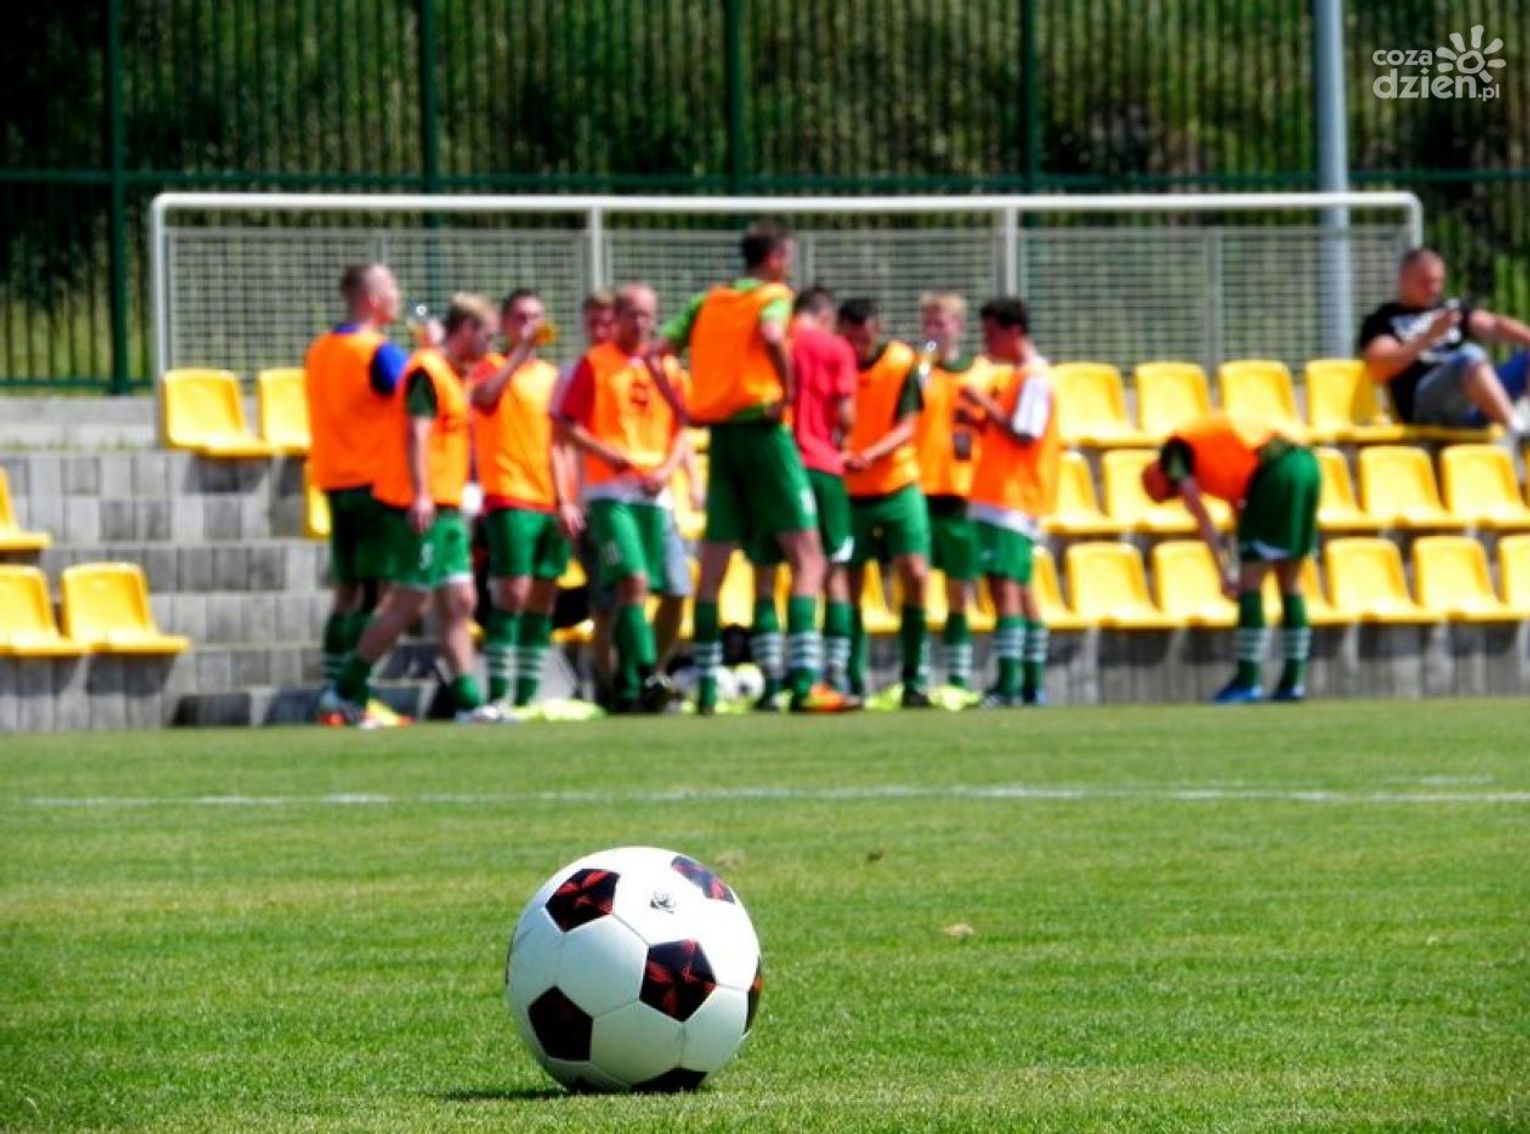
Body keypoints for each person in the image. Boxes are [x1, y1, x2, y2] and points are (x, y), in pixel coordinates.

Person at [652, 222, 855, 714]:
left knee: (714, 566)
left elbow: (657, 354)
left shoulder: (707, 301)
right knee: (809, 559)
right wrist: (786, 391)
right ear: (775, 259)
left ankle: (705, 688)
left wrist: (680, 410)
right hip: (764, 434)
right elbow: (771, 333)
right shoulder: (774, 296)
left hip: (721, 437)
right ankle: (805, 684)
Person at [321, 294, 505, 725]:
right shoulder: (427, 371)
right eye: (487, 336)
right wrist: (422, 494)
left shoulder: (456, 374)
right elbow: (416, 435)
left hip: (449, 505)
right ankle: (344, 690)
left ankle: (468, 702)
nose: (490, 346)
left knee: (460, 600)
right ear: (466, 331)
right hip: (422, 504)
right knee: (407, 601)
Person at [552, 291, 699, 707]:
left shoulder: (667, 368)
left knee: (675, 590)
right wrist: (605, 455)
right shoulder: (594, 365)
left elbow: (682, 426)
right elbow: (565, 426)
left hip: (656, 495)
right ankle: (635, 680)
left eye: (647, 314)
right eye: (631, 314)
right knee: (629, 585)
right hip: (609, 496)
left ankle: (648, 676)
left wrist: (669, 471)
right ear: (616, 317)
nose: (640, 322)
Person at [1141, 414, 1321, 704]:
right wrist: (1238, 559)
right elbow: (1240, 512)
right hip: (1306, 464)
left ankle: (1248, 681)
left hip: (1273, 471)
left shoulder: (1174, 453)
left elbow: (1201, 516)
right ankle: (1293, 681)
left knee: (1251, 583)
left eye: (1171, 493)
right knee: (1291, 581)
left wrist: (1225, 573)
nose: (1177, 497)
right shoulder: (1215, 461)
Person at [305, 264, 411, 727]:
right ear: (373, 299)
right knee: (373, 594)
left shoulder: (320, 349)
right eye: (392, 287)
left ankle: (334, 695)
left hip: (334, 480)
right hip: (374, 484)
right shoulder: (378, 352)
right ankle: (351, 696)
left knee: (347, 591)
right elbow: (420, 395)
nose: (399, 295)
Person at [745, 285, 859, 703]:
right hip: (821, 467)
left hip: (773, 464)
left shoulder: (775, 342)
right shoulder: (836, 348)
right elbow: (846, 416)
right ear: (826, 315)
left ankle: (771, 681)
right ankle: (825, 676)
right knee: (828, 571)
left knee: (765, 573)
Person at [470, 289, 569, 711]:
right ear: (506, 324)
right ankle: (498, 695)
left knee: (543, 597)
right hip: (510, 494)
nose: (530, 325)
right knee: (512, 593)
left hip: (551, 498)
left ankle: (528, 698)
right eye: (521, 317)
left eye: (536, 317)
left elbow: (562, 440)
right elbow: (484, 396)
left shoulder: (552, 377)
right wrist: (520, 353)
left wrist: (568, 498)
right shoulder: (490, 366)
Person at [958, 297, 1059, 708]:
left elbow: (1024, 433)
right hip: (1008, 495)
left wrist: (984, 404)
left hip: (1010, 497)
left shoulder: (1033, 377)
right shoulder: (1019, 376)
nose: (987, 343)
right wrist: (982, 421)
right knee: (1021, 587)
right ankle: (1031, 683)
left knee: (1005, 588)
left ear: (1014, 331)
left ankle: (1009, 683)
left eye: (992, 334)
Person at [837, 298, 932, 706]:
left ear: (876, 331)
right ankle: (852, 679)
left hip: (897, 483)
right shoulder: (830, 362)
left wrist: (872, 454)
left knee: (916, 573)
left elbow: (908, 425)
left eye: (865, 338)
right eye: (851, 339)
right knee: (848, 584)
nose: (858, 347)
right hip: (848, 490)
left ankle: (915, 676)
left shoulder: (900, 362)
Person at [911, 292, 995, 691]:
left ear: (959, 327)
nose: (933, 330)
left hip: (963, 494)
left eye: (940, 323)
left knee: (959, 590)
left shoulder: (983, 373)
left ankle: (958, 680)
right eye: (927, 323)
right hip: (919, 491)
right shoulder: (917, 371)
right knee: (916, 586)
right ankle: (916, 677)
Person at [1358, 247, 1530, 437]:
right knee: (1469, 355)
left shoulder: (1451, 310)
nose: (1434, 289)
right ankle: (1517, 431)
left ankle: (1513, 422)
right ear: (1404, 279)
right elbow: (1379, 367)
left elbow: (1494, 325)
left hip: (1473, 402)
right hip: (1426, 405)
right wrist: (1428, 337)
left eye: (1438, 282)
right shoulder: (1384, 319)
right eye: (1425, 282)